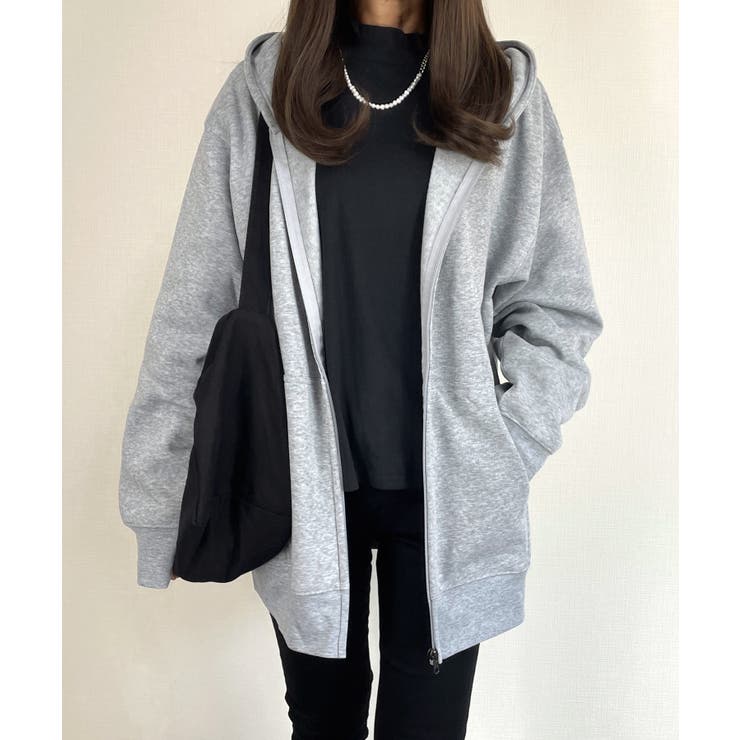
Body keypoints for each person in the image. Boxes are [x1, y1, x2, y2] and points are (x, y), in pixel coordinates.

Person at [118, 0, 604, 737]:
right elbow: (194, 307)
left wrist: (507, 446)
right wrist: (160, 503)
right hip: (302, 491)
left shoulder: (499, 96)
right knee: (324, 725)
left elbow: (556, 308)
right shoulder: (268, 93)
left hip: (448, 497)